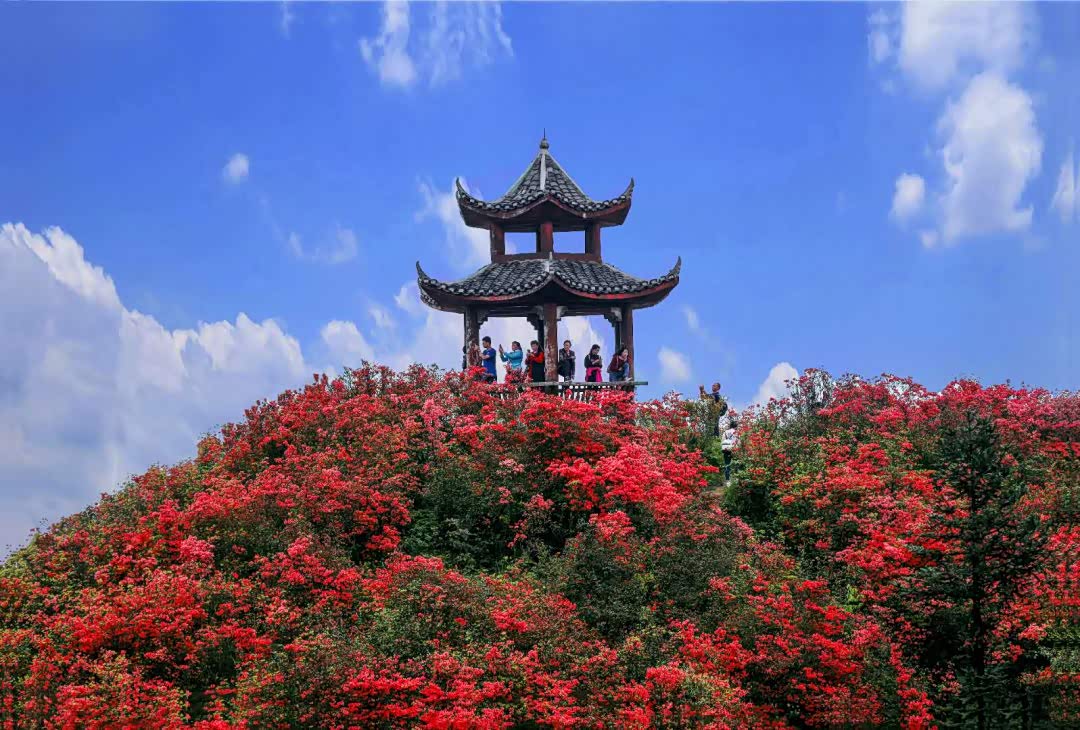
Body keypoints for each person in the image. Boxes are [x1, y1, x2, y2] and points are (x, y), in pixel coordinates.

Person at [721, 414, 739, 483]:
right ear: (736, 426)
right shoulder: (737, 432)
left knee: (727, 465)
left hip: (727, 450)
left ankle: (728, 482)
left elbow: (723, 441)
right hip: (735, 450)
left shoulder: (725, 432)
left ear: (730, 426)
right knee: (736, 465)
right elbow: (739, 442)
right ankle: (736, 480)